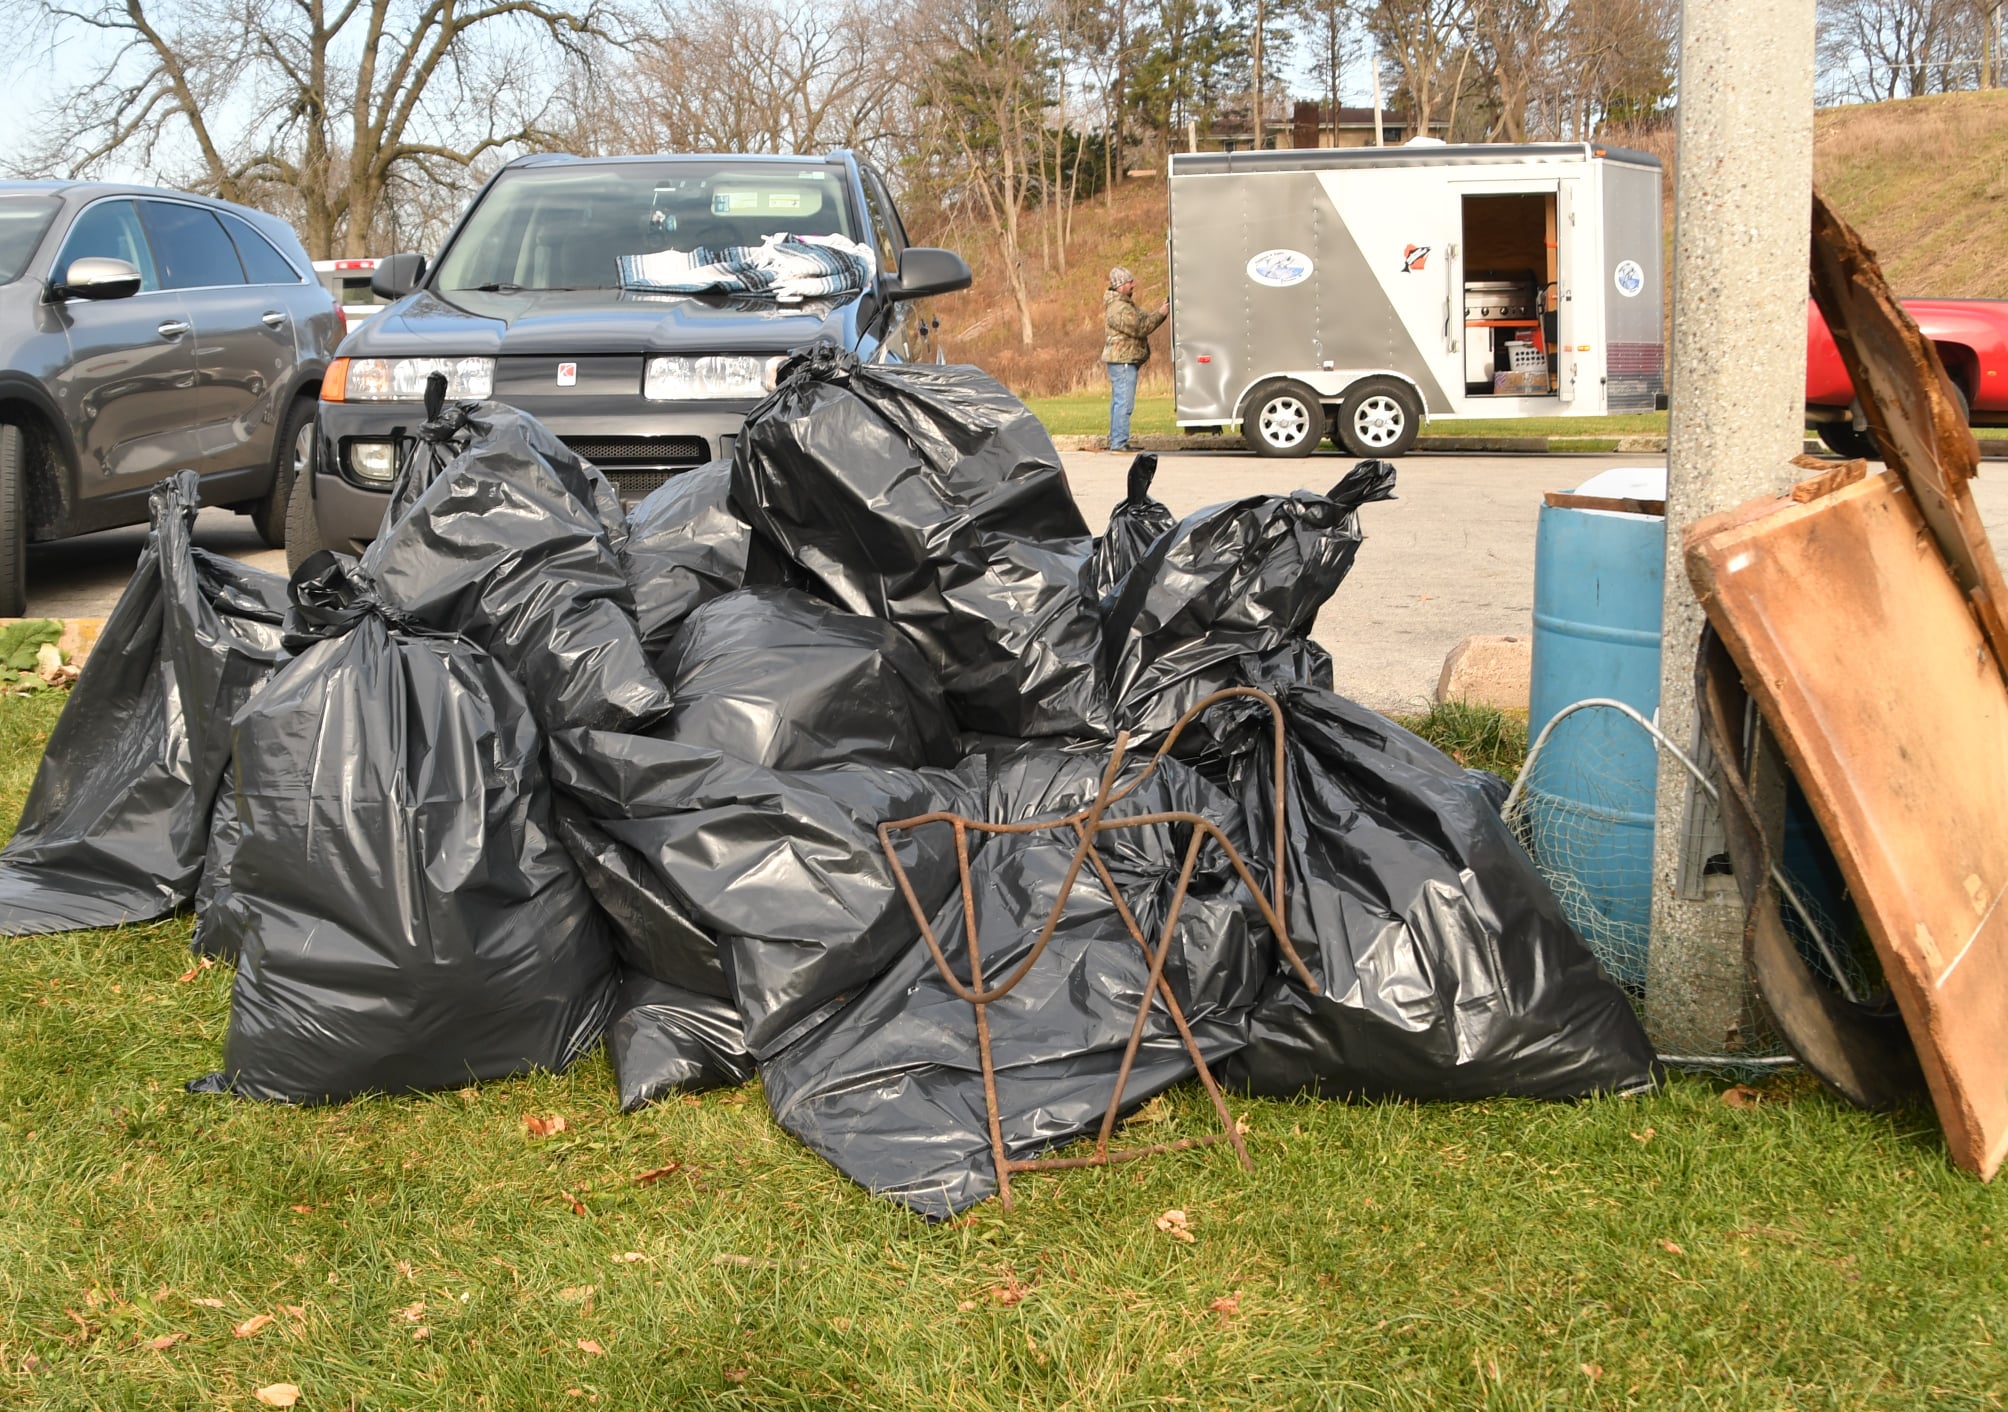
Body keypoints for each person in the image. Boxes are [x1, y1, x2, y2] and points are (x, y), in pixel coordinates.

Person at [1102, 266, 1168, 452]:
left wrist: (1160, 311)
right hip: (1123, 361)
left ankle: (1118, 440)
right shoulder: (1119, 309)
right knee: (1124, 402)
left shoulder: (1124, 305)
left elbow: (1144, 318)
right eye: (1130, 282)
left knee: (1119, 401)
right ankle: (1119, 443)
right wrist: (1162, 314)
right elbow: (1141, 327)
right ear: (1121, 285)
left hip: (1123, 360)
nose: (1133, 285)